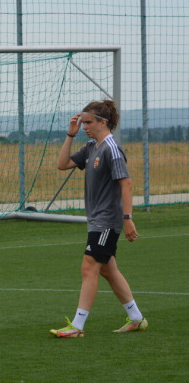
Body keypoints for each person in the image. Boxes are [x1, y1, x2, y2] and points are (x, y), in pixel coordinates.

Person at [50, 99, 147, 338]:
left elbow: (127, 183)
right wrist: (69, 135)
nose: (84, 126)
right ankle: (136, 318)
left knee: (89, 266)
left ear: (103, 122)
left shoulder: (111, 148)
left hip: (107, 221)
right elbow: (62, 164)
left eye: (88, 122)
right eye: (83, 122)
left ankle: (77, 326)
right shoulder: (91, 147)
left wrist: (127, 218)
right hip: (97, 220)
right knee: (107, 269)